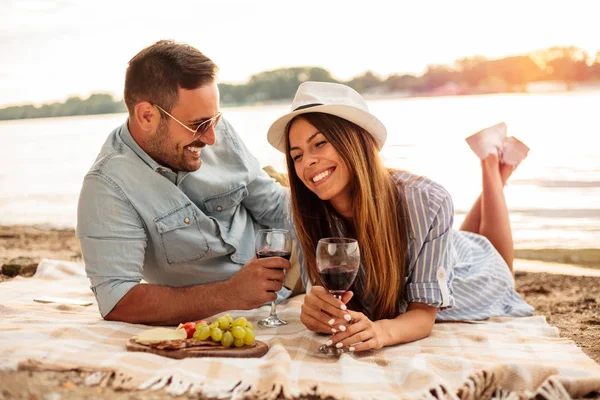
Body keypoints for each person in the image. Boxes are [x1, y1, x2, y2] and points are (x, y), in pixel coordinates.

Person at [266, 81, 534, 352]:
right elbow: (327, 296)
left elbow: (423, 316)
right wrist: (317, 310)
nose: (306, 163)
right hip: (443, 247)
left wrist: (381, 332)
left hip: (469, 273)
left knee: (501, 266)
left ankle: (491, 164)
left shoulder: (427, 199)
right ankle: (498, 164)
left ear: (354, 141)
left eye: (320, 143)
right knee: (461, 238)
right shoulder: (301, 211)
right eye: (296, 156)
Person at [77, 40, 291, 325]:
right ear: (147, 116)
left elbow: (275, 206)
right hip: (237, 304)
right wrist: (229, 294)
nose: (212, 138)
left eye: (215, 120)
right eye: (198, 125)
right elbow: (117, 300)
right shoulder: (107, 186)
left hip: (292, 258)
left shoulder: (213, 129)